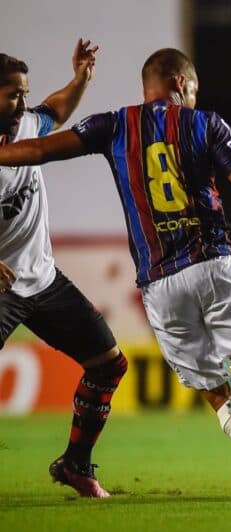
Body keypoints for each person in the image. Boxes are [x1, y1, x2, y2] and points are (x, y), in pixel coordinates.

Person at [0, 48, 231, 499]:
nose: (195, 98)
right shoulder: (205, 124)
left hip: (153, 286)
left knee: (201, 389)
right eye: (194, 90)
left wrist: (76, 84)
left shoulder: (113, 124)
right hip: (215, 262)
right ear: (182, 84)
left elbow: (41, 144)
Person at [0, 41, 126, 499]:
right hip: (2, 288)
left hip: (43, 279)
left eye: (22, 93)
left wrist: (81, 81)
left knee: (108, 365)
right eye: (12, 93)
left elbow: (55, 108)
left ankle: (75, 463)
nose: (21, 103)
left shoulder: (28, 125)